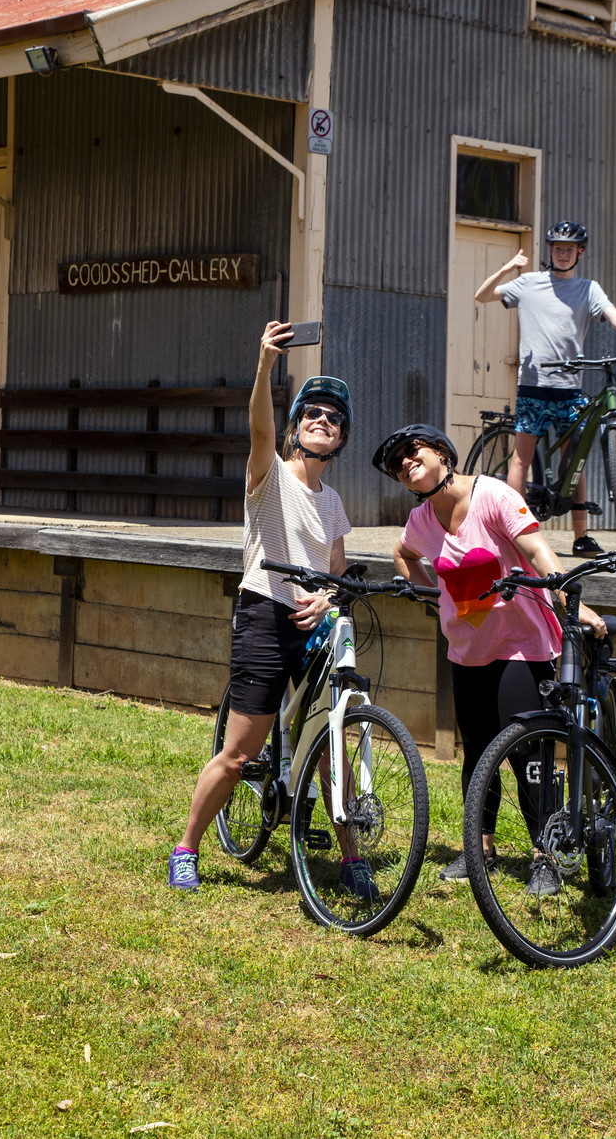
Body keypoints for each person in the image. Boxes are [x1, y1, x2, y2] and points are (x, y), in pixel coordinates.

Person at [169, 322, 363, 895]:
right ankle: (186, 848)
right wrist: (263, 368)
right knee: (237, 754)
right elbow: (259, 426)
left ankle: (353, 860)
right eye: (313, 414)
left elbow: (335, 569)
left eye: (333, 417)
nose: (322, 420)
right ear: (297, 427)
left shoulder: (333, 504)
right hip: (263, 613)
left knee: (335, 751)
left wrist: (328, 598)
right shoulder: (269, 474)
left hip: (314, 627)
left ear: (341, 438)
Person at [373, 422, 606, 892]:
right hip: (466, 652)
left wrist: (570, 601)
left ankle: (546, 853)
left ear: (443, 453)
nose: (405, 461)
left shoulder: (493, 496)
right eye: (397, 462)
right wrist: (430, 596)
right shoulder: (421, 519)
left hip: (521, 645)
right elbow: (402, 553)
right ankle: (479, 850)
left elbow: (536, 549)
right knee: (477, 753)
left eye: (412, 451)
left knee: (527, 751)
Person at [474, 220, 616, 556]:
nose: (563, 254)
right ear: (550, 251)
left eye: (569, 249)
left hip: (570, 389)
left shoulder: (588, 289)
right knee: (521, 459)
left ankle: (581, 537)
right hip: (534, 385)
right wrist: (507, 268)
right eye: (557, 248)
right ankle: (514, 533)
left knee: (575, 459)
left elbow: (613, 314)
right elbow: (483, 295)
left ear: (580, 252)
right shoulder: (529, 283)